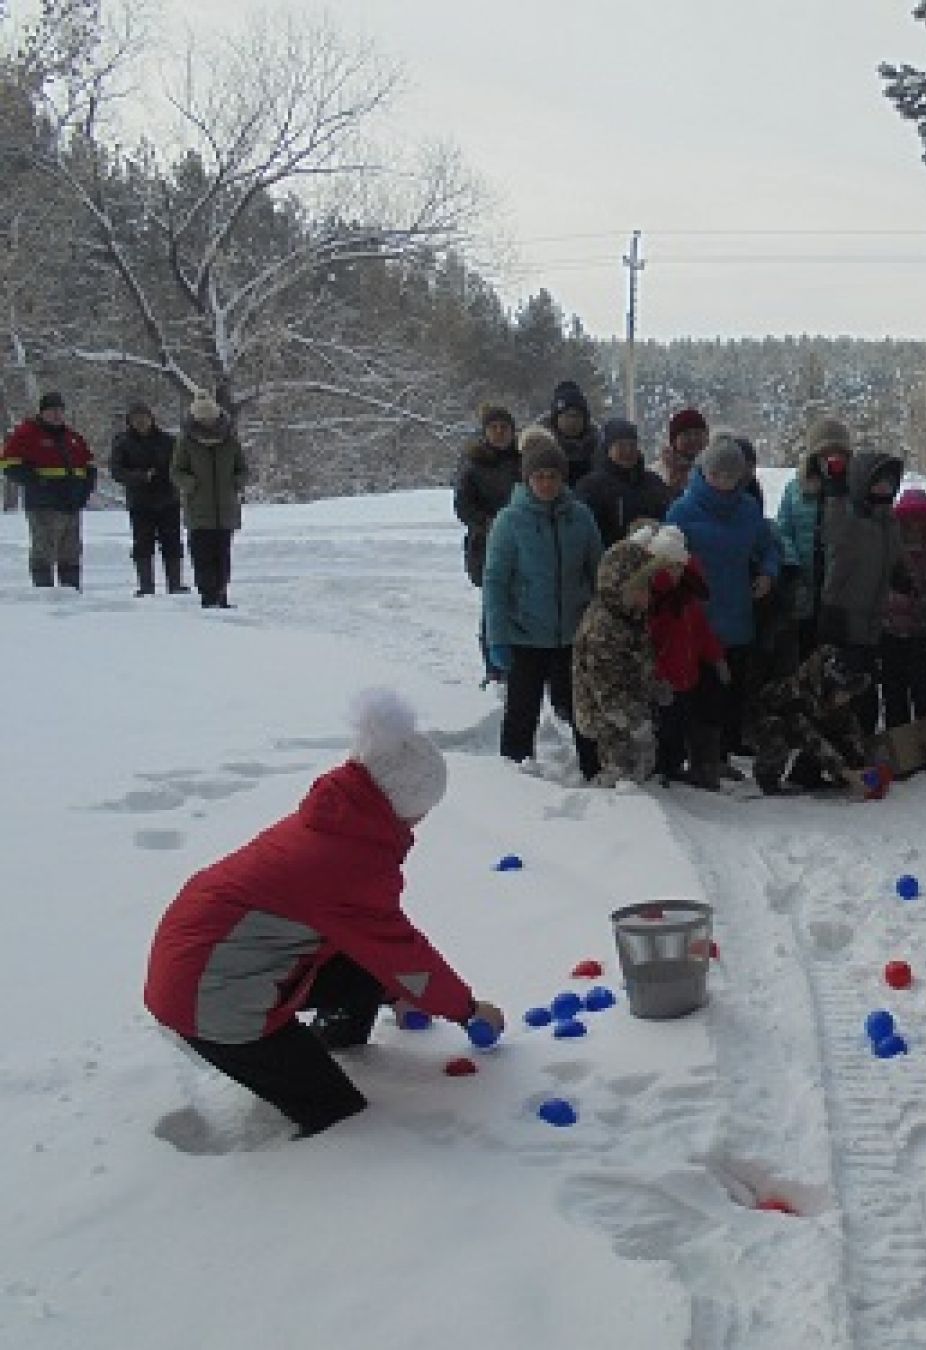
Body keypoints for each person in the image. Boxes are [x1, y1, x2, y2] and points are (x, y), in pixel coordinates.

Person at [144, 689, 504, 1139]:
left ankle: (333, 1044)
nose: (421, 823)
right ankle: (292, 1083)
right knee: (337, 1113)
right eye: (422, 813)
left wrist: (396, 994)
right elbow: (402, 954)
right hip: (212, 1002)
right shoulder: (349, 863)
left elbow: (353, 937)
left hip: (214, 969)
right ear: (401, 805)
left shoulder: (333, 823)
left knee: (369, 965)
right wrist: (468, 1010)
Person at [482, 428, 606, 781]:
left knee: (582, 707)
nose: (547, 484)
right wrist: (497, 637)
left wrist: (595, 619)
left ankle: (595, 770)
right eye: (539, 477)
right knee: (522, 709)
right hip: (525, 633)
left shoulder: (580, 517)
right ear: (527, 479)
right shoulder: (510, 521)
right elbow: (495, 581)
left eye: (553, 476)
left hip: (573, 632)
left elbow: (597, 571)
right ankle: (514, 773)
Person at [664, 433, 782, 765]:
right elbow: (665, 555)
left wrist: (768, 573)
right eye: (717, 475)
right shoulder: (683, 510)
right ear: (705, 472)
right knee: (700, 691)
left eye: (731, 476)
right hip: (697, 618)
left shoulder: (747, 509)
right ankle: (702, 758)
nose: (723, 482)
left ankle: (725, 751)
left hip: (739, 614)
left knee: (733, 688)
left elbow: (768, 546)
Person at [571, 522, 690, 787]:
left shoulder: (629, 616)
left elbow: (638, 662)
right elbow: (609, 692)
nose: (648, 595)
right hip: (607, 722)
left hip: (631, 712)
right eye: (642, 588)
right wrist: (638, 723)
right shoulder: (605, 629)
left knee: (642, 765)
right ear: (620, 587)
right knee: (622, 777)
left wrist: (655, 688)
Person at [819, 442, 904, 734]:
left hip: (873, 620)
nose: (884, 489)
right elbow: (833, 529)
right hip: (844, 616)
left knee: (867, 687)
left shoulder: (890, 522)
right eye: (878, 483)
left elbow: (892, 556)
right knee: (842, 690)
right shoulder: (851, 520)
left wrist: (899, 574)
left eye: (889, 483)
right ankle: (819, 762)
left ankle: (861, 744)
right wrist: (835, 488)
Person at [645, 540, 730, 790]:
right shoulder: (656, 602)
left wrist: (716, 657)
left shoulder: (686, 598)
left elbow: (702, 632)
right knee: (664, 727)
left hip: (686, 675)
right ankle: (661, 769)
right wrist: (657, 674)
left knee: (679, 725)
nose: (675, 572)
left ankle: (677, 765)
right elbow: (649, 644)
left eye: (679, 567)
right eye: (669, 567)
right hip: (665, 678)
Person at [748, 644, 874, 796]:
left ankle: (805, 774)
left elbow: (850, 729)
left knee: (836, 727)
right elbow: (810, 737)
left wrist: (861, 764)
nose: (846, 698)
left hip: (805, 727)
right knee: (777, 728)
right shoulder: (798, 693)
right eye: (844, 692)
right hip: (766, 723)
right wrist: (844, 772)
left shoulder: (833, 695)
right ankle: (767, 777)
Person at [454, 403, 521, 683]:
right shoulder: (473, 465)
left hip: (521, 541)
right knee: (493, 607)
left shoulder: (523, 460)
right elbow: (462, 506)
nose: (499, 433)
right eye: (494, 428)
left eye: (504, 428)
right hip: (487, 545)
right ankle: (494, 669)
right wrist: (488, 523)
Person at [2, 391, 96, 589]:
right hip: (43, 505)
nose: (57, 415)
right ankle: (44, 597)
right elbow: (9, 465)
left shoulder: (73, 438)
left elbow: (89, 465)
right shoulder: (27, 433)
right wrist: (40, 482)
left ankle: (71, 593)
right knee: (44, 551)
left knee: (70, 553)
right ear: (42, 412)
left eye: (60, 410)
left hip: (71, 505)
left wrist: (85, 490)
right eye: (52, 411)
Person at [881, 488, 926, 729]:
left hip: (921, 633)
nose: (914, 525)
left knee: (924, 690)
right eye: (909, 518)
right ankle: (899, 743)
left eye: (920, 519)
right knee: (894, 690)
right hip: (890, 633)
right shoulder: (888, 548)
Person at [171, 396, 248, 609]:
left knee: (222, 556)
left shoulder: (230, 441)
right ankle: (208, 596)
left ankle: (221, 595)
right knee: (202, 555)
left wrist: (236, 482)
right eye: (203, 419)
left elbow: (242, 469)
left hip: (226, 509)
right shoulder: (186, 442)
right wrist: (190, 484)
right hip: (198, 509)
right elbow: (176, 471)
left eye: (211, 418)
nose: (208, 423)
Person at [110, 400, 188, 596]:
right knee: (142, 544)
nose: (141, 422)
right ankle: (146, 586)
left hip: (168, 499)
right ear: (130, 421)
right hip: (140, 501)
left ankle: (175, 584)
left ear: (152, 419)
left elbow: (181, 466)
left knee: (172, 542)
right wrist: (140, 477)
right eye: (136, 419)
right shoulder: (122, 443)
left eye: (144, 417)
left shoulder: (168, 441)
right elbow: (117, 471)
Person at [776, 419, 839, 658]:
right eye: (825, 452)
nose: (831, 458)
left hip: (840, 587)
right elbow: (783, 530)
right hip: (805, 581)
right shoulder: (796, 488)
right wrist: (792, 564)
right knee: (806, 652)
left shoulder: (853, 489)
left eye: (838, 452)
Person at [572, 417, 670, 547]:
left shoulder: (653, 482)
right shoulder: (590, 487)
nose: (628, 451)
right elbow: (585, 532)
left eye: (632, 445)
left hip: (654, 558)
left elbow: (668, 520)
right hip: (608, 560)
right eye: (621, 445)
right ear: (608, 448)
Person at [540, 380, 600, 484]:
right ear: (556, 418)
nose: (572, 421)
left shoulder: (600, 447)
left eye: (577, 416)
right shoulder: (539, 447)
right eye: (567, 416)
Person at [661, 407, 709, 496]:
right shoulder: (660, 472)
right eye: (687, 434)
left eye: (697, 434)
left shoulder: (715, 468)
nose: (693, 439)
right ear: (674, 440)